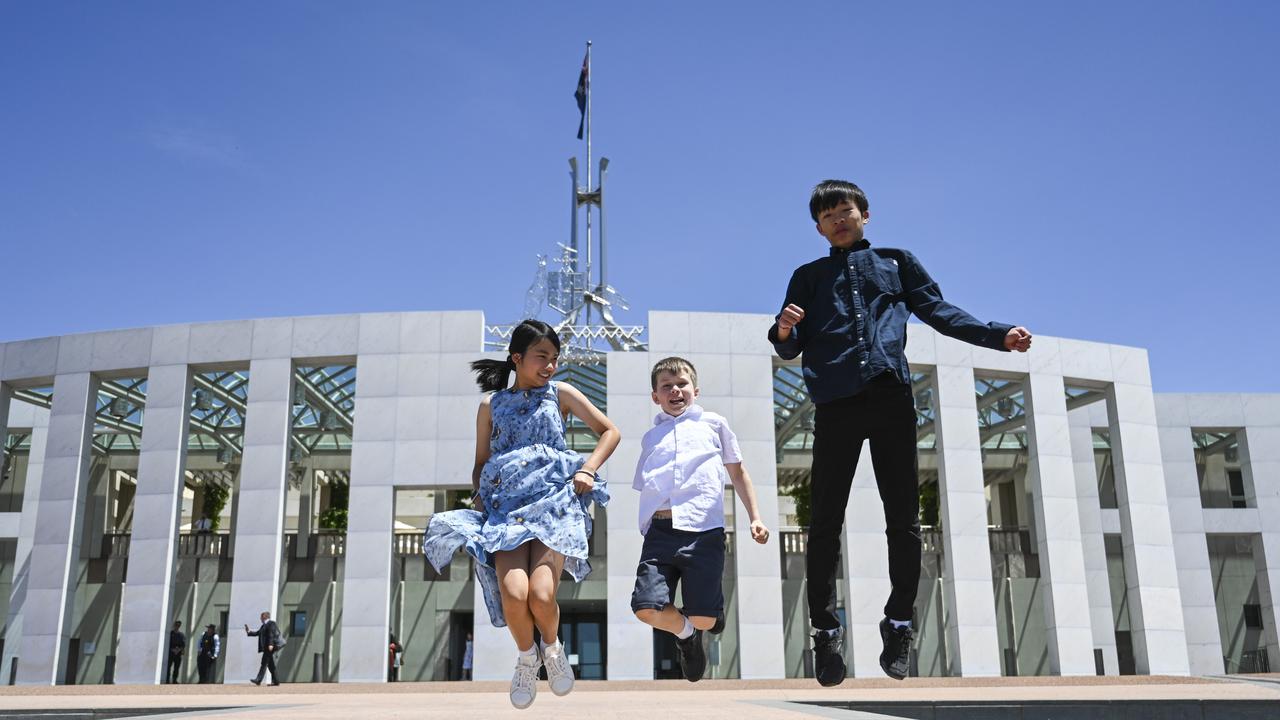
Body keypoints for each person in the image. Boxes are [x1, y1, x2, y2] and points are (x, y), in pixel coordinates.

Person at [769, 179, 1032, 685]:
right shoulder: (807, 276)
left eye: (845, 210)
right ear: (818, 227)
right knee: (824, 521)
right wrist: (783, 329)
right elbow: (788, 344)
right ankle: (825, 632)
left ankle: (899, 623)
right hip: (836, 404)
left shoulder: (896, 262)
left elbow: (939, 310)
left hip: (890, 398)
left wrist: (997, 335)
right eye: (827, 216)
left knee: (903, 520)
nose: (838, 220)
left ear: (864, 214)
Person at [424, 319, 619, 709]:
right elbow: (481, 462)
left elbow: (609, 431)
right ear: (517, 358)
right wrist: (480, 494)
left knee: (542, 594)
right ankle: (527, 659)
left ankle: (553, 649)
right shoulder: (490, 405)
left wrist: (587, 469)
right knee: (515, 594)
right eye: (541, 357)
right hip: (506, 511)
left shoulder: (560, 393)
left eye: (554, 358)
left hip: (553, 504)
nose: (550, 365)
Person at [631, 357, 770, 682]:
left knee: (705, 618)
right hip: (661, 532)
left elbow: (737, 472)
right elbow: (646, 484)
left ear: (695, 390)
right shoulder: (651, 437)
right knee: (645, 607)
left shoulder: (714, 423)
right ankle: (686, 635)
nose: (675, 391)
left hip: (703, 531)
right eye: (667, 386)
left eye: (681, 384)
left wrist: (755, 517)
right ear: (656, 396)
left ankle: (702, 623)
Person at [245, 611, 285, 686]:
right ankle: (276, 681)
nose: (260, 618)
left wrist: (270, 644)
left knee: (264, 663)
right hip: (267, 647)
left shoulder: (271, 623)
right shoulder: (264, 625)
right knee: (270, 665)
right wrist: (249, 632)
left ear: (264, 617)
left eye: (261, 617)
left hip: (270, 647)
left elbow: (271, 634)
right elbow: (258, 633)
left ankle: (258, 680)